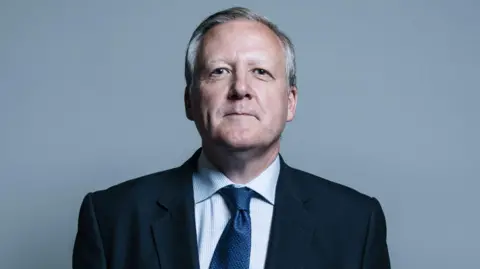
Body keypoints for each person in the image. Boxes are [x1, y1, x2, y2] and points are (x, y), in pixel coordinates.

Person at [72, 6, 391, 269]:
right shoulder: (111, 218)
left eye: (261, 72)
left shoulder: (356, 224)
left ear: (290, 101)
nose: (240, 89)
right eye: (219, 71)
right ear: (190, 101)